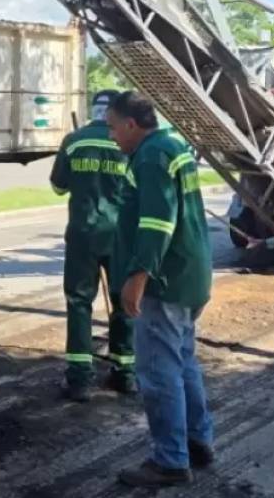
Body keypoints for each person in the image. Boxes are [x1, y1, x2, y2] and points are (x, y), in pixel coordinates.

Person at [106, 91, 214, 488]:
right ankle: (197, 439)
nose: (112, 136)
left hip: (164, 281)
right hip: (190, 274)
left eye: (113, 127)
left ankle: (170, 460)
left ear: (132, 125)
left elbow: (157, 222)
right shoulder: (172, 146)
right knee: (183, 361)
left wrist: (137, 277)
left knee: (157, 371)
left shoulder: (151, 156)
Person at [50, 90, 134, 402]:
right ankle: (126, 373)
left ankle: (79, 379)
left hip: (83, 234)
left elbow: (58, 186)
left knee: (79, 302)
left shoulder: (74, 140)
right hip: (119, 235)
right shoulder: (126, 142)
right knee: (124, 303)